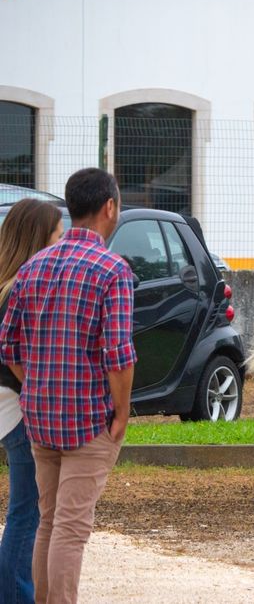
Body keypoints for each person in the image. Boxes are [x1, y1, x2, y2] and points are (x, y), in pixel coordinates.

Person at [0, 168, 136, 604]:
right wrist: (122, 412)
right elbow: (118, 352)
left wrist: (36, 385)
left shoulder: (32, 267)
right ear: (109, 207)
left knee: (48, 521)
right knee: (72, 530)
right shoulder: (113, 269)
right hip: (88, 420)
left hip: (40, 420)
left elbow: (10, 345)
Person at [0, 199, 63, 604]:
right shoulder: (21, 287)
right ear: (39, 239)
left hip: (8, 408)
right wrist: (42, 392)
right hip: (18, 409)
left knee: (25, 510)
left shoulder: (7, 283)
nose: (61, 245)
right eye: (57, 236)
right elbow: (14, 354)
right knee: (28, 511)